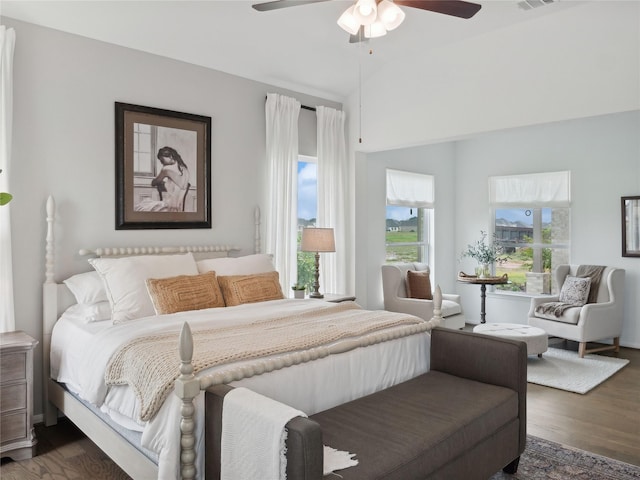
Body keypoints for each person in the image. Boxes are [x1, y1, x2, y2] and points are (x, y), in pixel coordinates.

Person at [135, 146, 191, 212]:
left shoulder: (166, 169)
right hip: (179, 209)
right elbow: (182, 185)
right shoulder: (185, 169)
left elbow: (154, 183)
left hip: (169, 208)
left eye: (162, 160)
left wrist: (161, 182)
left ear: (170, 156)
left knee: (140, 207)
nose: (161, 162)